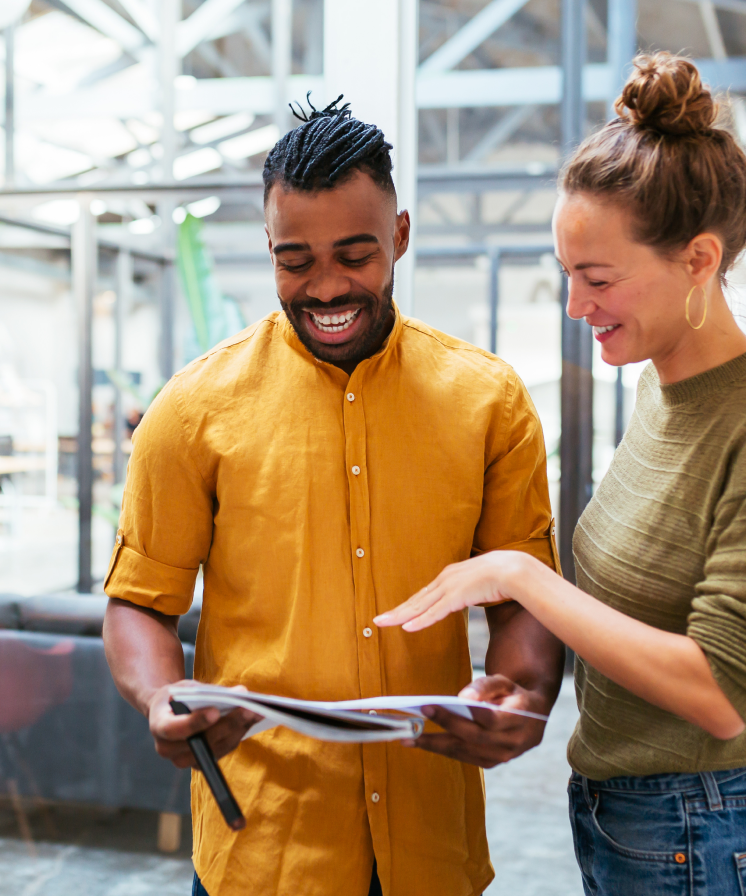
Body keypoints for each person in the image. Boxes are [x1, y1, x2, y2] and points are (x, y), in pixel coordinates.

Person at [376, 53, 746, 896]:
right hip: (629, 824)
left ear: (699, 259)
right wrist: (517, 684)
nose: (574, 306)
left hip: (707, 837)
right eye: (567, 275)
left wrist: (521, 574)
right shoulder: (660, 391)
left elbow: (725, 695)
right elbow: (631, 618)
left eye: (597, 279)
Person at [101, 96, 565, 896]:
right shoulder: (191, 410)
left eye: (355, 255)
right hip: (266, 845)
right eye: (295, 260)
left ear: (402, 236)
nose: (325, 288)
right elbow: (139, 600)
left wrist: (521, 694)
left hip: (430, 840)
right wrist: (159, 695)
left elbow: (522, 593)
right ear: (269, 250)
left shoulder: (488, 401)